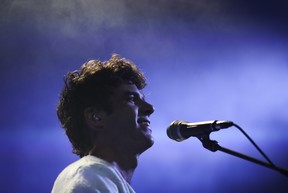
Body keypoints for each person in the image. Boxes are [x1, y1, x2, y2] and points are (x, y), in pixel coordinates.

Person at [51, 54, 155, 193]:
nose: (150, 108)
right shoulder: (87, 177)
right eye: (131, 98)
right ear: (96, 118)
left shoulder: (103, 180)